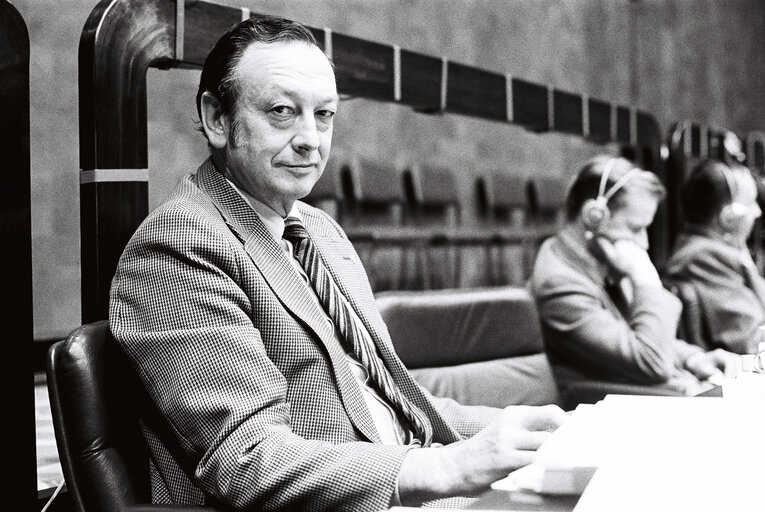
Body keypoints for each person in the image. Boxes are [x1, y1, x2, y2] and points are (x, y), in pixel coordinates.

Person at [108, 14, 567, 511]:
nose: (311, 138)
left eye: (324, 115)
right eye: (283, 111)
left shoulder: (320, 231)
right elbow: (249, 460)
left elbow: (392, 402)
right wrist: (446, 468)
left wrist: (517, 427)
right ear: (218, 119)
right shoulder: (179, 242)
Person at [528, 155, 740, 397]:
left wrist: (692, 357)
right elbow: (650, 361)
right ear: (593, 217)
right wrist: (646, 279)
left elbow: (632, 335)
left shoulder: (600, 262)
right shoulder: (559, 284)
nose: (644, 243)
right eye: (635, 228)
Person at [664, 159, 765, 354]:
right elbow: (752, 340)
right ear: (729, 217)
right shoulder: (705, 258)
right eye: (751, 203)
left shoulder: (717, 250)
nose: (758, 212)